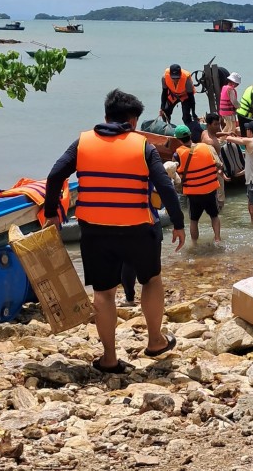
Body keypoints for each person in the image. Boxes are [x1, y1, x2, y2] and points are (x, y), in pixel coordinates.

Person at [44, 88, 185, 371]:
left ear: (106, 116)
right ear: (133, 122)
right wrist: (178, 222)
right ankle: (155, 340)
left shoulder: (82, 143)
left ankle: (109, 358)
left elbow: (55, 174)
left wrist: (51, 214)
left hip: (95, 230)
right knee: (151, 280)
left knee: (104, 292)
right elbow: (165, 186)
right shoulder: (143, 146)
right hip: (138, 228)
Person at [173, 124, 221, 243]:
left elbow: (174, 175)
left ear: (178, 139)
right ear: (190, 135)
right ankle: (218, 238)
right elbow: (218, 165)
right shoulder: (206, 147)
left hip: (193, 194)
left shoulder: (177, 154)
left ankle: (194, 244)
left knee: (194, 220)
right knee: (214, 216)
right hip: (210, 190)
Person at [226, 120, 253, 227]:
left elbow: (229, 139)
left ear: (250, 131)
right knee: (251, 210)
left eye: (247, 129)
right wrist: (239, 174)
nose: (246, 131)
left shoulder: (252, 142)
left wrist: (230, 135)